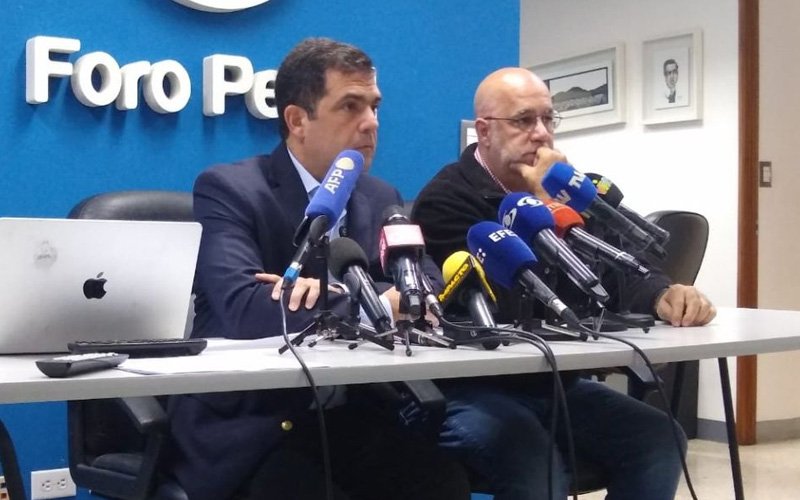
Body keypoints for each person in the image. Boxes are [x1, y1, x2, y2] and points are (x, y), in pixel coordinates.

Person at [164, 38, 470, 500]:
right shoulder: (230, 189)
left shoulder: (379, 196)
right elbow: (242, 306)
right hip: (257, 425)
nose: (371, 122)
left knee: (443, 483)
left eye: (374, 106)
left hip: (356, 411)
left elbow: (423, 280)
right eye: (350, 106)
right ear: (297, 120)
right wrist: (364, 302)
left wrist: (349, 296)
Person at [411, 67, 716, 500]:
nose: (541, 134)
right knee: (537, 466)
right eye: (523, 120)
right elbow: (506, 307)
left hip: (552, 384)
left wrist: (663, 293)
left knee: (660, 437)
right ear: (484, 131)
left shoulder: (573, 193)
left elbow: (617, 270)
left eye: (548, 119)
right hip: (472, 387)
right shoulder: (445, 200)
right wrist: (543, 206)